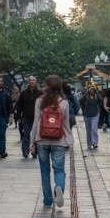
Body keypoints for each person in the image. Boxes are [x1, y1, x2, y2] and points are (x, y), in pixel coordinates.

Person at [30, 75, 73, 208]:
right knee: (59, 169)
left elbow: (36, 123)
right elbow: (66, 125)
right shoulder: (64, 103)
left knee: (44, 170)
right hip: (59, 140)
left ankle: (47, 201)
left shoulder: (39, 102)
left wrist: (32, 142)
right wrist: (69, 141)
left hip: (42, 140)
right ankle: (59, 187)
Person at [15, 76, 42, 159]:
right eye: (30, 80)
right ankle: (25, 151)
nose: (32, 82)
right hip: (26, 117)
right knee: (26, 134)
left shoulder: (40, 93)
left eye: (33, 80)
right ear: (28, 82)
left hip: (37, 118)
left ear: (36, 82)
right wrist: (18, 117)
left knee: (36, 135)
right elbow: (19, 105)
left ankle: (35, 151)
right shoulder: (23, 93)